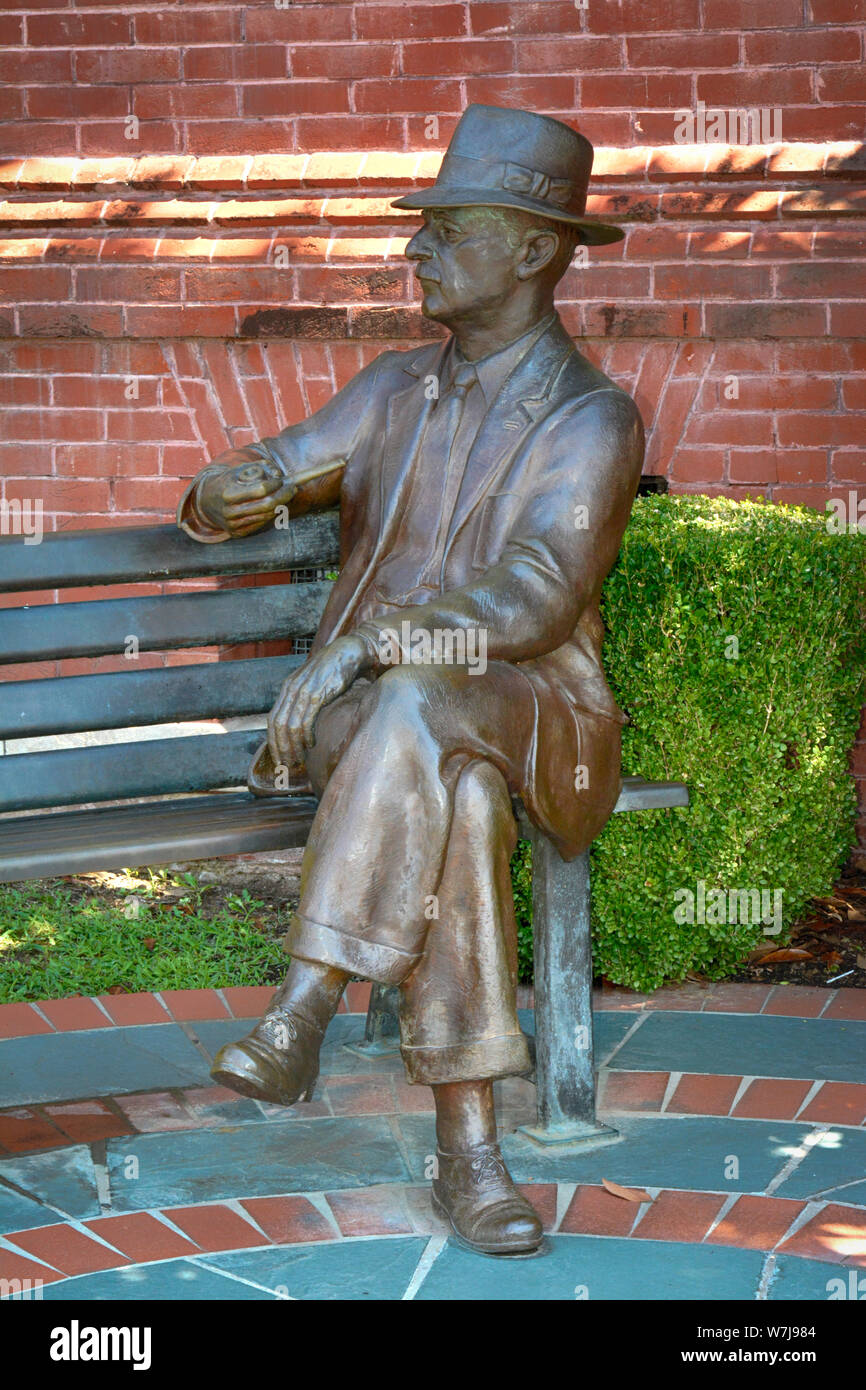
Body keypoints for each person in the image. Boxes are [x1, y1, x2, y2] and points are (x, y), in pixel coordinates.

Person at [177, 104, 644, 1257]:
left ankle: (306, 1006)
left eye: (445, 230)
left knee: (427, 709)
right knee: (447, 774)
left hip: (537, 714)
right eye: (419, 230)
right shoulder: (392, 388)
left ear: (535, 249)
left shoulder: (590, 418)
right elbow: (272, 468)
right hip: (389, 731)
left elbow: (533, 593)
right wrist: (226, 491)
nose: (414, 250)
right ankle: (467, 1155)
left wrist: (365, 643)